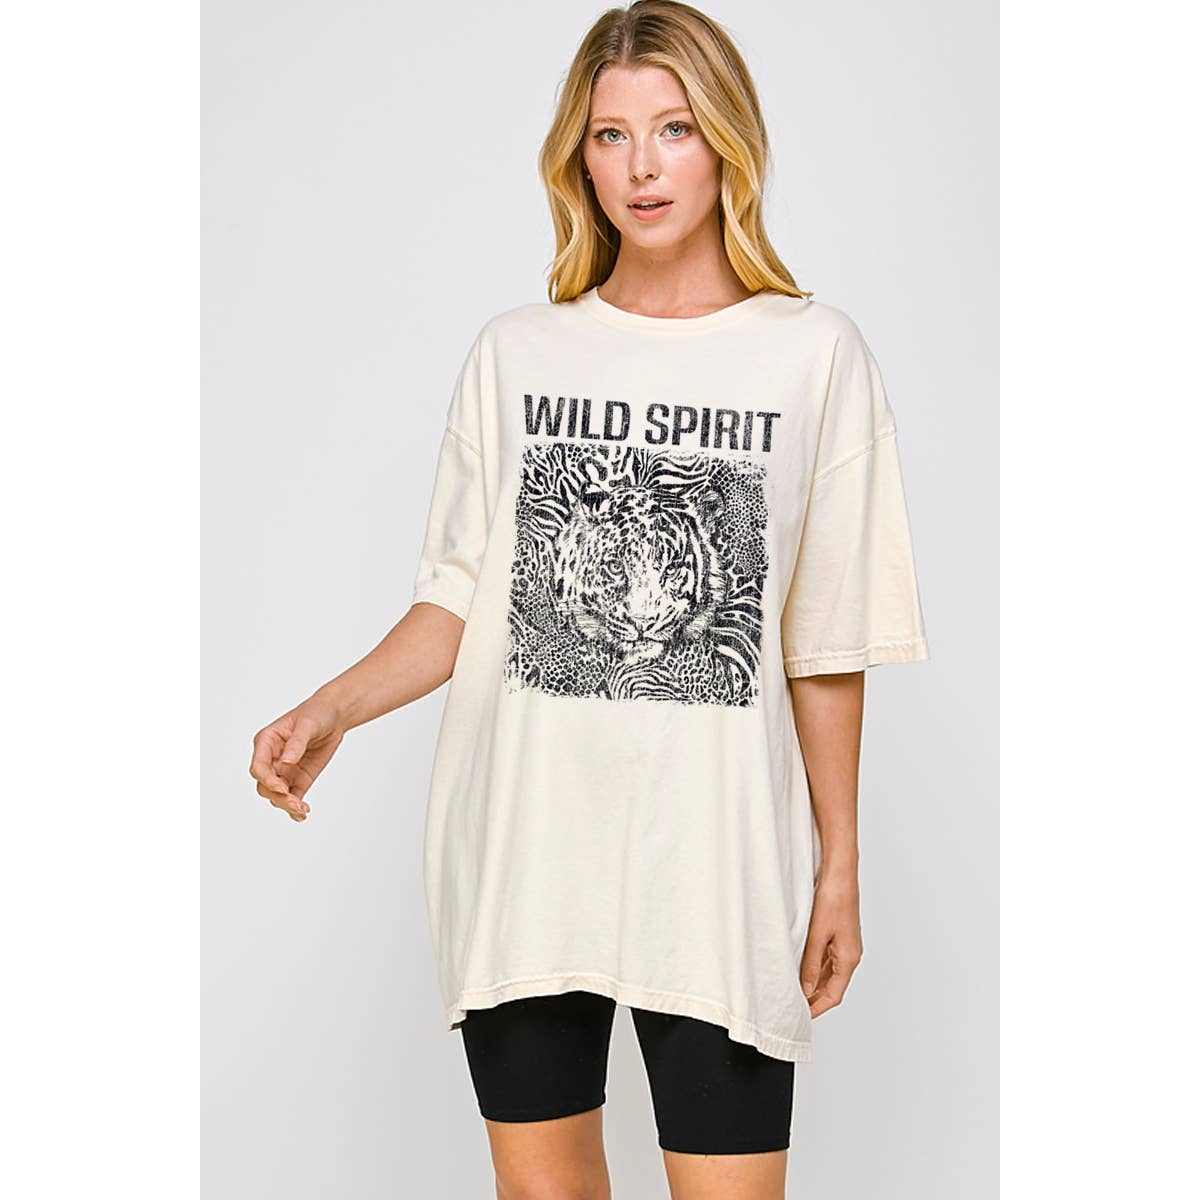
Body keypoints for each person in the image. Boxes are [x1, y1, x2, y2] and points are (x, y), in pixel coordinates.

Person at [249, 3, 929, 1196]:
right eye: (611, 136)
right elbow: (460, 599)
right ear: (580, 157)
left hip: (714, 867)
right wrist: (331, 709)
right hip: (527, 849)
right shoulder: (518, 353)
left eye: (674, 129)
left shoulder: (814, 355)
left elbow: (824, 637)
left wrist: (839, 865)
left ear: (727, 142)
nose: (642, 167)